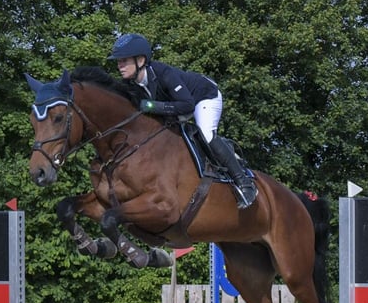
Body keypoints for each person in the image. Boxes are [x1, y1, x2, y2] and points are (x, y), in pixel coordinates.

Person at [107, 33, 258, 209]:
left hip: (203, 96)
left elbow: (187, 105)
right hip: (177, 107)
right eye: (118, 61)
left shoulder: (163, 73)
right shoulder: (130, 85)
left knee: (206, 135)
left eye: (124, 60)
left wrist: (150, 106)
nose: (119, 65)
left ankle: (245, 184)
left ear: (140, 60)